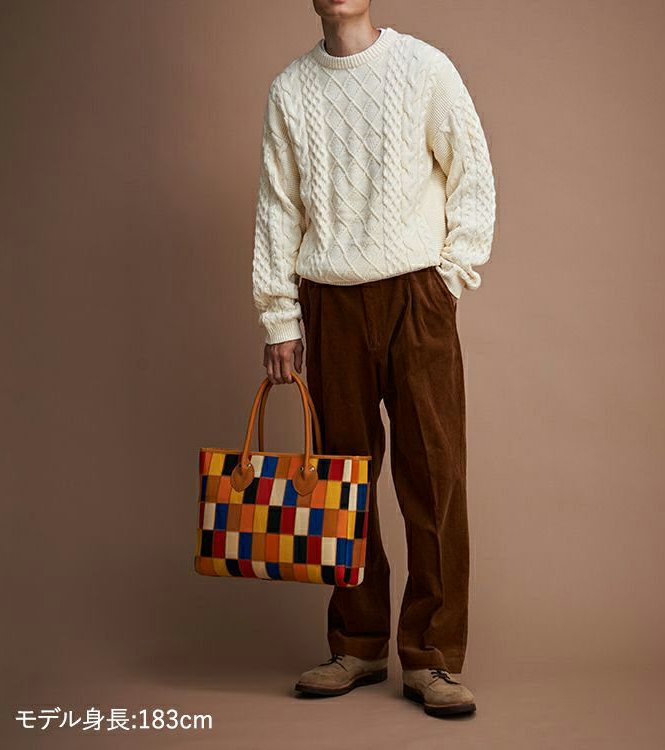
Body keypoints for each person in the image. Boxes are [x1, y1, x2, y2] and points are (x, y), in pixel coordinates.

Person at [251, 0, 496, 718]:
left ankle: (432, 655)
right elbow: (278, 206)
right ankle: (357, 644)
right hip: (329, 302)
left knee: (435, 475)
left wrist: (450, 278)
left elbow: (473, 174)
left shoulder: (424, 68)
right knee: (342, 479)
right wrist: (279, 315)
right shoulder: (290, 89)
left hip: (417, 295)